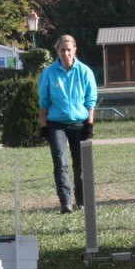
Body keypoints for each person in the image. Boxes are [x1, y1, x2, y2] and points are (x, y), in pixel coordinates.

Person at [38, 34, 97, 214]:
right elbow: (43, 102)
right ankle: (65, 201)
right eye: (62, 50)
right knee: (60, 162)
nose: (65, 53)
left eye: (68, 50)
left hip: (79, 123)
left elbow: (90, 100)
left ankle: (82, 199)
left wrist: (89, 125)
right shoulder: (48, 73)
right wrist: (43, 127)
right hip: (56, 124)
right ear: (57, 51)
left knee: (80, 164)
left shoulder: (85, 71)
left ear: (74, 50)